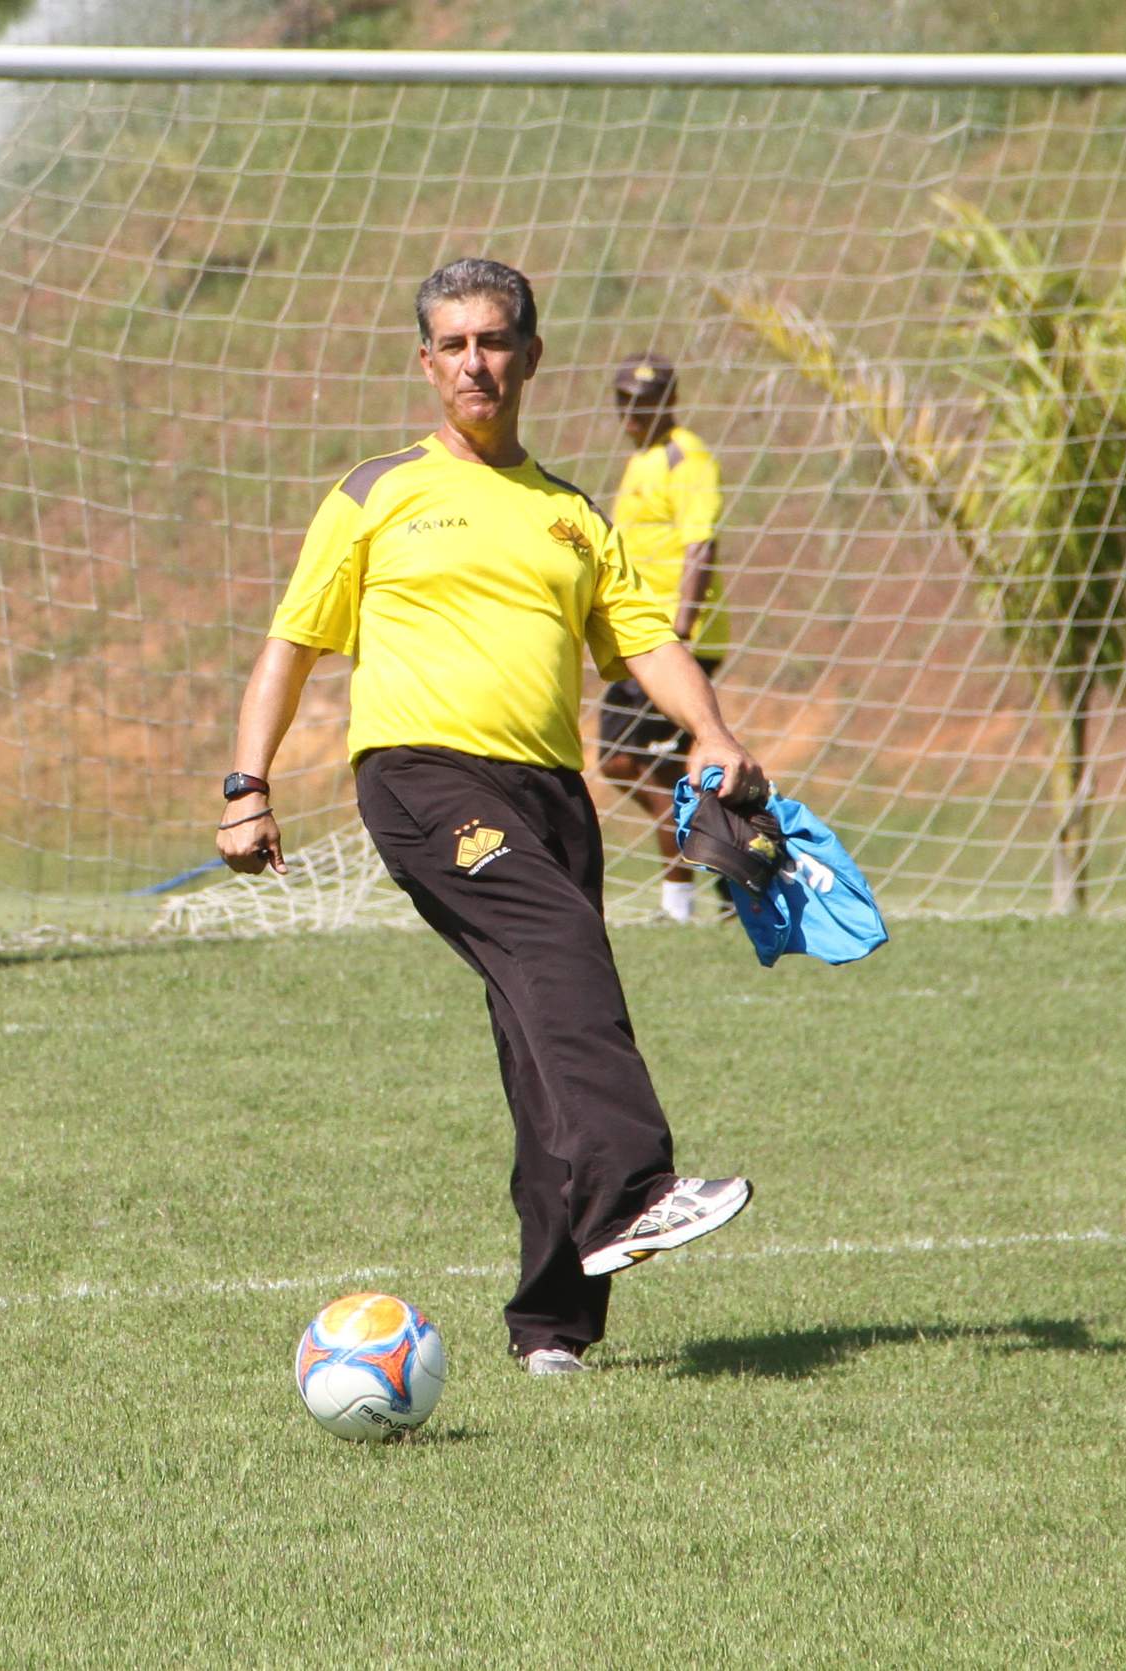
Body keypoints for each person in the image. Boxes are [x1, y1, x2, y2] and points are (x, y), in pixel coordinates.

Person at [218, 259, 767, 1375]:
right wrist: (247, 784)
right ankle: (636, 1190)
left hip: (548, 793)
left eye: (495, 340)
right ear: (426, 363)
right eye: (454, 344)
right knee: (559, 950)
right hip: (424, 779)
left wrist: (710, 733)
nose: (476, 362)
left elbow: (645, 641)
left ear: (530, 354)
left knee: (541, 1029)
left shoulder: (572, 514)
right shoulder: (376, 492)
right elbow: (293, 641)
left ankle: (551, 1323)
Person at [595, 352, 733, 923]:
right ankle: (727, 881)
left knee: (621, 757)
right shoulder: (643, 460)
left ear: (669, 402)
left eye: (645, 400)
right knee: (646, 765)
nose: (633, 411)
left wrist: (679, 627)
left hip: (675, 642)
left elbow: (701, 544)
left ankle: (689, 894)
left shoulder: (686, 457)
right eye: (625, 399)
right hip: (646, 639)